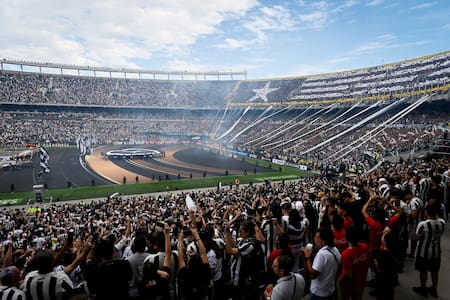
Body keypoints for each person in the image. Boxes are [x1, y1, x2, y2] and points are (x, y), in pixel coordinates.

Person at [412, 204, 446, 298]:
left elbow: (417, 238)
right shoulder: (442, 222)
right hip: (436, 251)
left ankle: (423, 289)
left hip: (423, 251)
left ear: (426, 212)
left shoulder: (423, 224)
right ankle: (434, 288)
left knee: (423, 271)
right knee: (434, 271)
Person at [303, 227, 341, 300]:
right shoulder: (335, 250)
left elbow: (313, 275)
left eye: (317, 237)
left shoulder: (322, 254)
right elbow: (339, 267)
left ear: (323, 241)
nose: (314, 238)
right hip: (330, 289)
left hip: (319, 292)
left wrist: (307, 257)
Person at [177, 225, 211, 300]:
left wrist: (180, 240)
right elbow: (203, 254)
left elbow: (180, 258)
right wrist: (197, 236)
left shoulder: (186, 274)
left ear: (189, 265)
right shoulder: (206, 271)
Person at [337, 226, 370, 300]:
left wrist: (339, 281)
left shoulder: (346, 254)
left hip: (349, 285)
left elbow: (348, 274)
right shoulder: (365, 247)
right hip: (361, 282)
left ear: (347, 237)